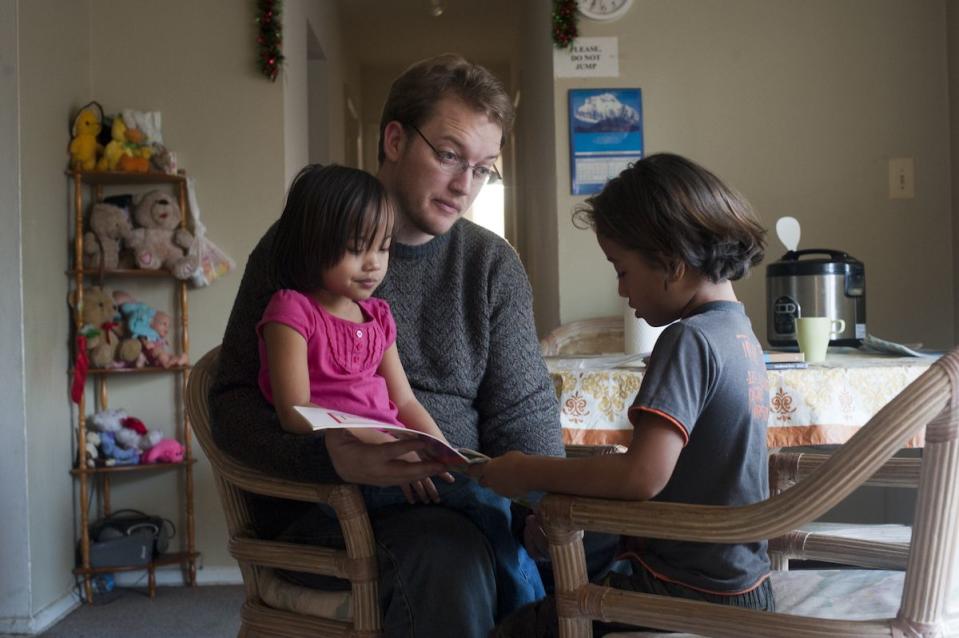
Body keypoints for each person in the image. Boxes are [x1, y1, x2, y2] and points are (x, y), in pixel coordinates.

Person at [209, 54, 564, 637]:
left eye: (483, 169)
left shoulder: (491, 265)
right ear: (394, 139)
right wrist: (330, 458)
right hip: (331, 507)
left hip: (456, 493)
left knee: (576, 554)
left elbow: (523, 408)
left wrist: (539, 511)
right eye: (450, 156)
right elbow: (231, 404)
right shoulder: (298, 248)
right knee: (450, 559)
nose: (464, 186)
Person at [473, 153, 776, 636]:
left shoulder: (688, 340)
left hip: (680, 588)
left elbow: (642, 477)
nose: (622, 289)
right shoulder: (738, 335)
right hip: (743, 586)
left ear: (672, 264)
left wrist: (524, 471)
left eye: (622, 269)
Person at [257, 162, 545, 616]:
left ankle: (522, 610)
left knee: (483, 504)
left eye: (384, 248)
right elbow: (296, 411)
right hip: (350, 479)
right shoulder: (291, 311)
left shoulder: (377, 317)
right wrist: (384, 447)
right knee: (483, 500)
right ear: (311, 246)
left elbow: (405, 400)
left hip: (402, 459)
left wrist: (442, 451)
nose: (374, 264)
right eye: (356, 249)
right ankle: (531, 614)